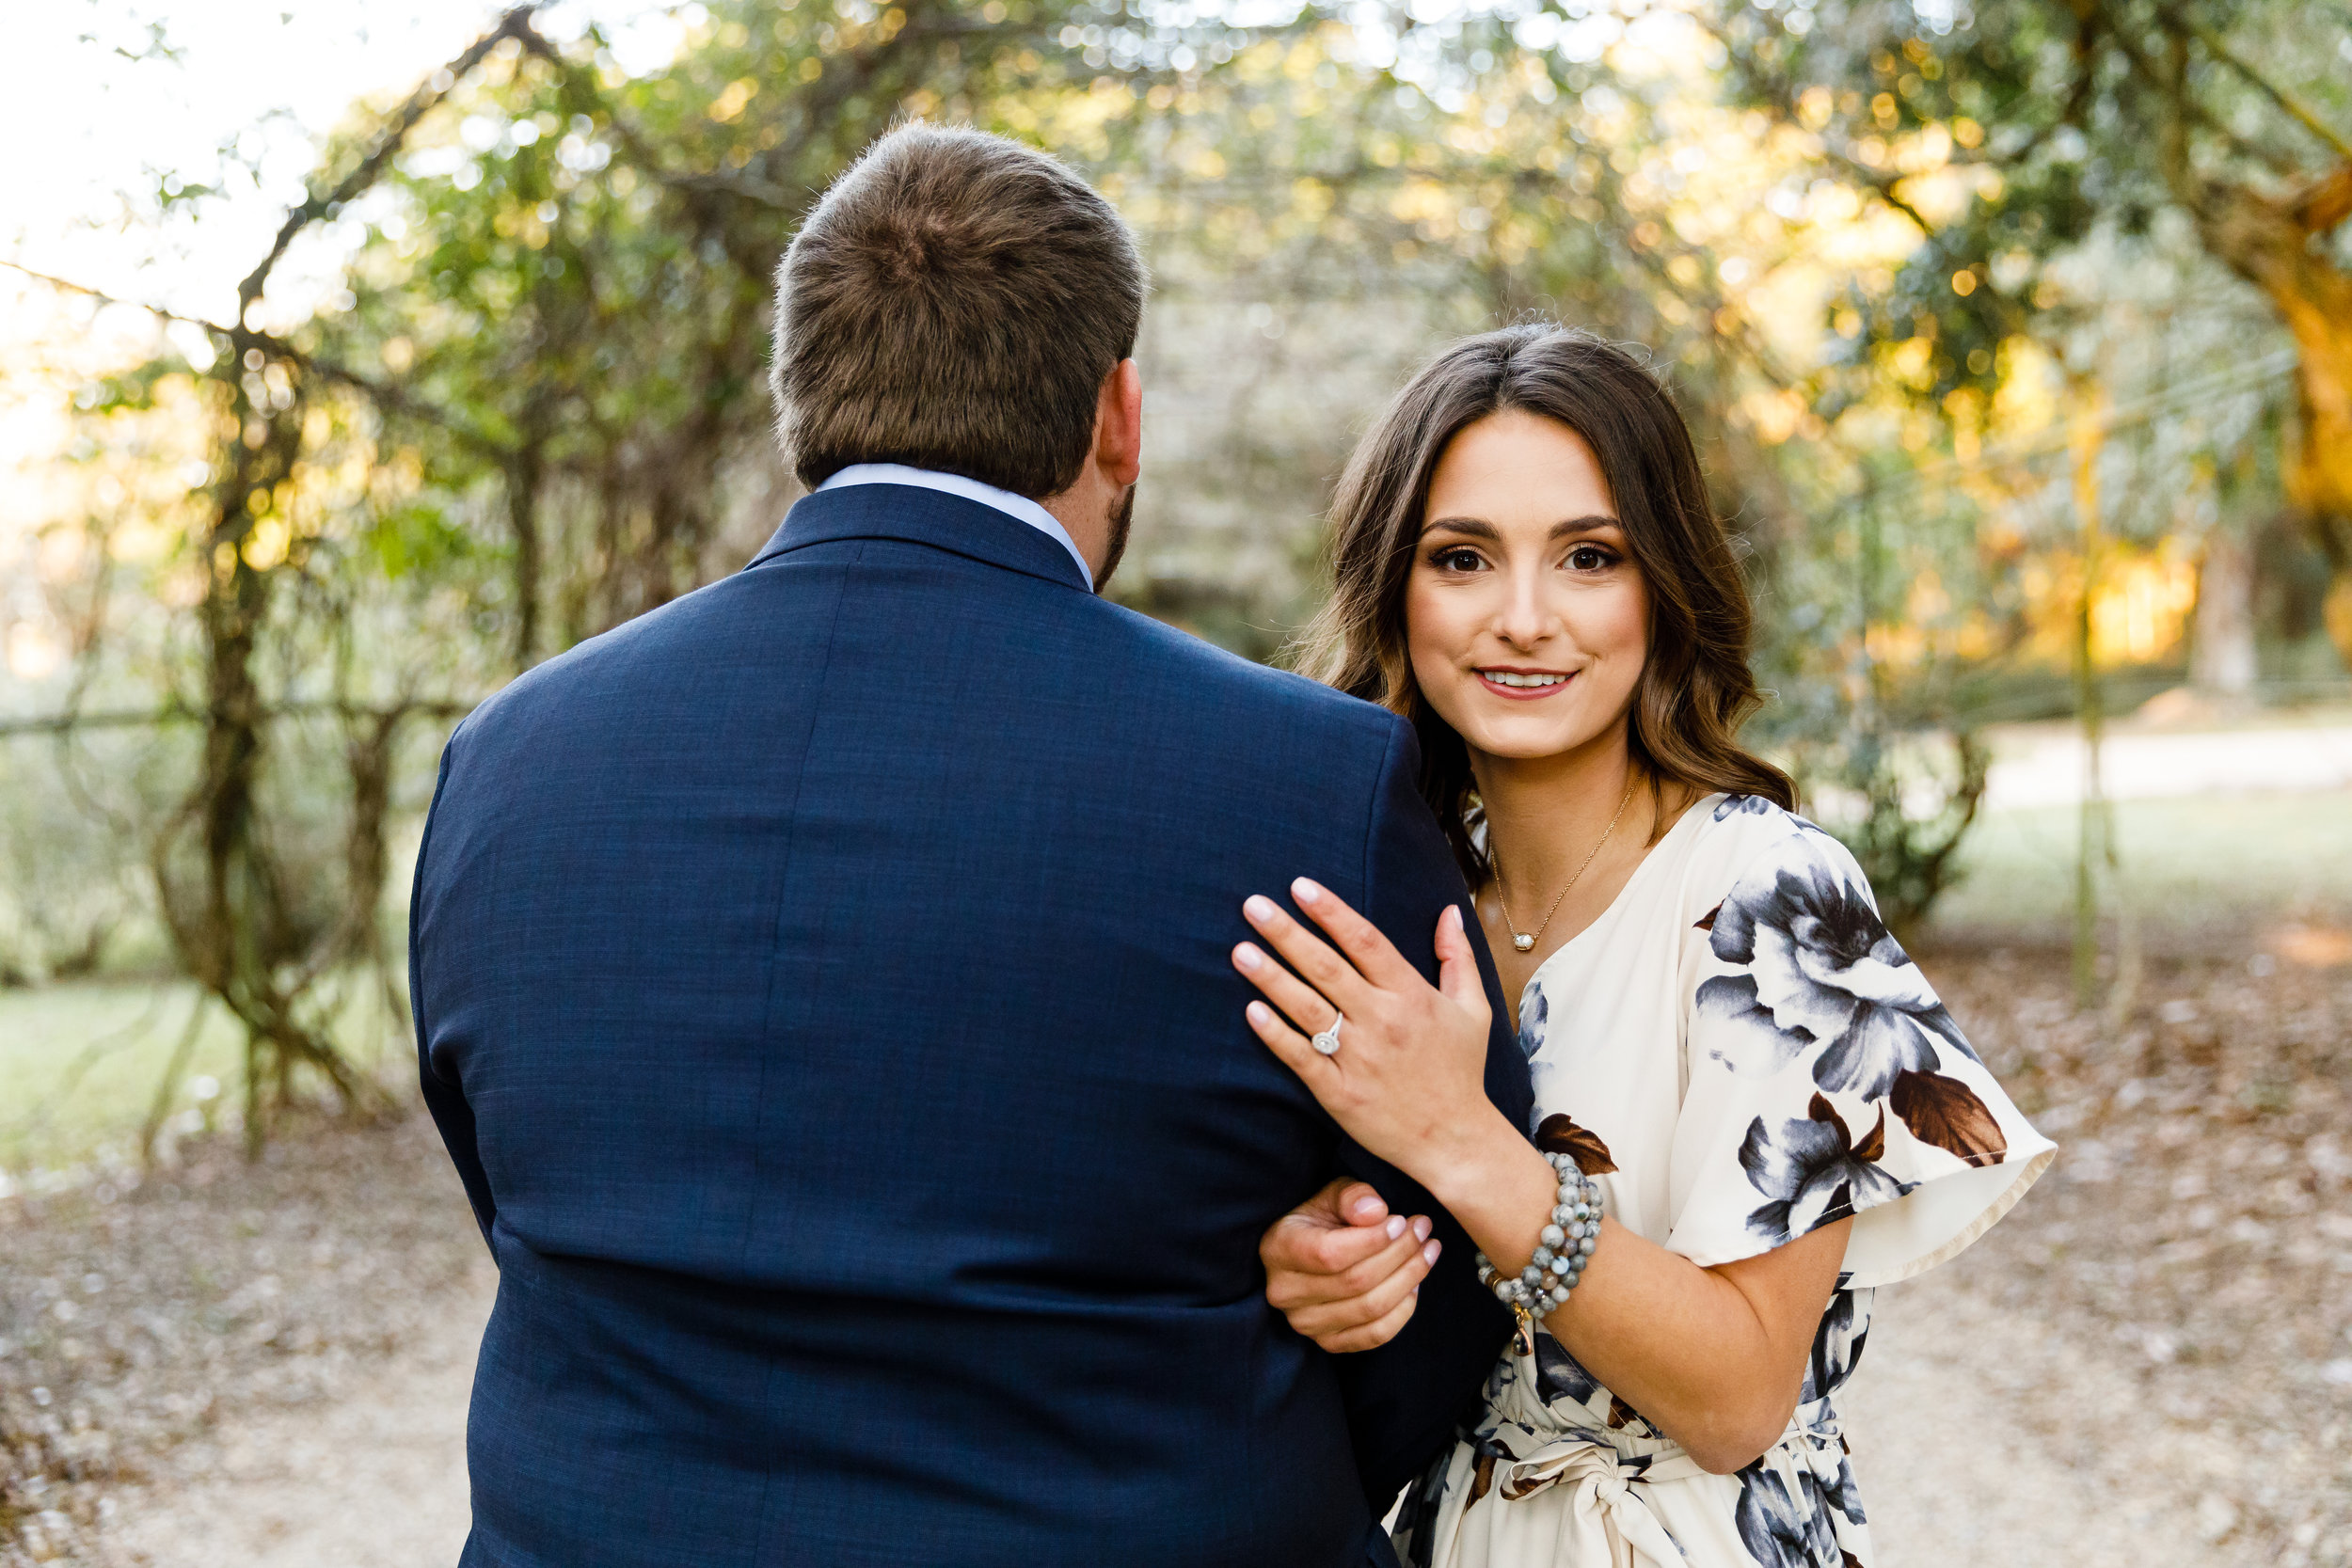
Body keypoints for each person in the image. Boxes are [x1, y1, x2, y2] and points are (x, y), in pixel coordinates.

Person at [407, 124, 1532, 1568]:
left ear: (799, 402)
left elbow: (514, 1195)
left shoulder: (503, 763)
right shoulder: (1308, 779)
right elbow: (1438, 1296)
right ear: (1118, 416)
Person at [1241, 325, 2056, 1568]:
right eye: (1463, 558)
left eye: (1588, 557)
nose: (1523, 619)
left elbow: (1738, 1399)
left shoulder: (1767, 893)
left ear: (1661, 583)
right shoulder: (1389, 900)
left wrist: (1462, 1143)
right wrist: (1318, 1272)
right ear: (1394, 589)